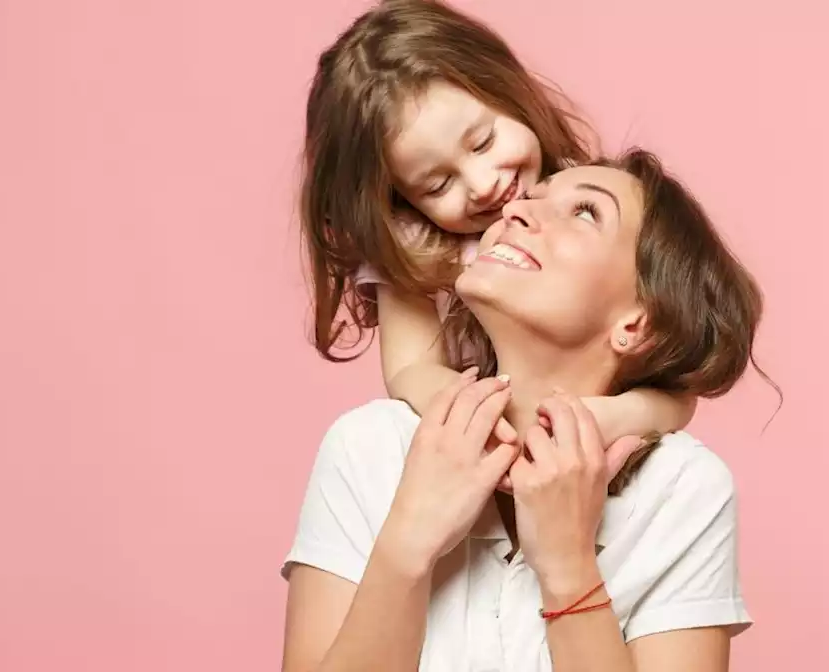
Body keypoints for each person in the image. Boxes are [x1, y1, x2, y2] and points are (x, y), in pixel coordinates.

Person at [283, 150, 766, 671]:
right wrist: (407, 545)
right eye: (531, 199)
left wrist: (569, 568)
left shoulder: (681, 490)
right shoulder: (369, 447)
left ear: (637, 322)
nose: (514, 212)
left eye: (586, 212)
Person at [299, 0, 696, 455]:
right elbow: (412, 372)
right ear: (401, 201)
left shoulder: (571, 204)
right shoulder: (413, 250)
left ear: (508, 94)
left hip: (581, 452)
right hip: (481, 457)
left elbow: (677, 391)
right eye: (437, 184)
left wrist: (620, 415)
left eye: (483, 142)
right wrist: (487, 421)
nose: (484, 185)